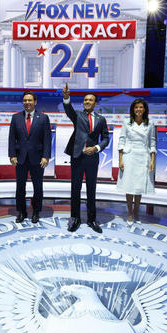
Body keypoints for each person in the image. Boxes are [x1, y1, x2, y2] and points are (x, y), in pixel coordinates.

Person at [62, 83, 110, 233]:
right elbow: (68, 110)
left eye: (90, 100)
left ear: (95, 103)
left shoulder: (101, 120)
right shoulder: (78, 115)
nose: (87, 102)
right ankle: (75, 218)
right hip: (77, 157)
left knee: (91, 189)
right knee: (75, 189)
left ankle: (91, 219)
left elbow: (106, 138)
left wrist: (96, 148)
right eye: (85, 100)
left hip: (92, 159)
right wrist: (66, 98)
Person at [8, 91, 52, 224]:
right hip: (20, 158)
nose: (27, 103)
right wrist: (12, 155)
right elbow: (11, 138)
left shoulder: (43, 118)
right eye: (25, 100)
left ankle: (36, 212)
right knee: (20, 187)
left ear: (35, 102)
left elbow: (47, 139)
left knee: (38, 187)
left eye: (30, 100)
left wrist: (46, 156)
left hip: (38, 159)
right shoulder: (16, 117)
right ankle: (21, 212)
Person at [117, 98, 156, 222]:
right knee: (129, 186)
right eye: (136, 107)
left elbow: (152, 142)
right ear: (133, 109)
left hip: (143, 156)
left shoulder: (150, 123)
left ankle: (136, 211)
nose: (138, 109)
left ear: (144, 109)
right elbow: (121, 141)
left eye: (141, 107)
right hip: (130, 156)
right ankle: (129, 212)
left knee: (138, 187)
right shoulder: (126, 122)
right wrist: (120, 160)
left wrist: (153, 160)